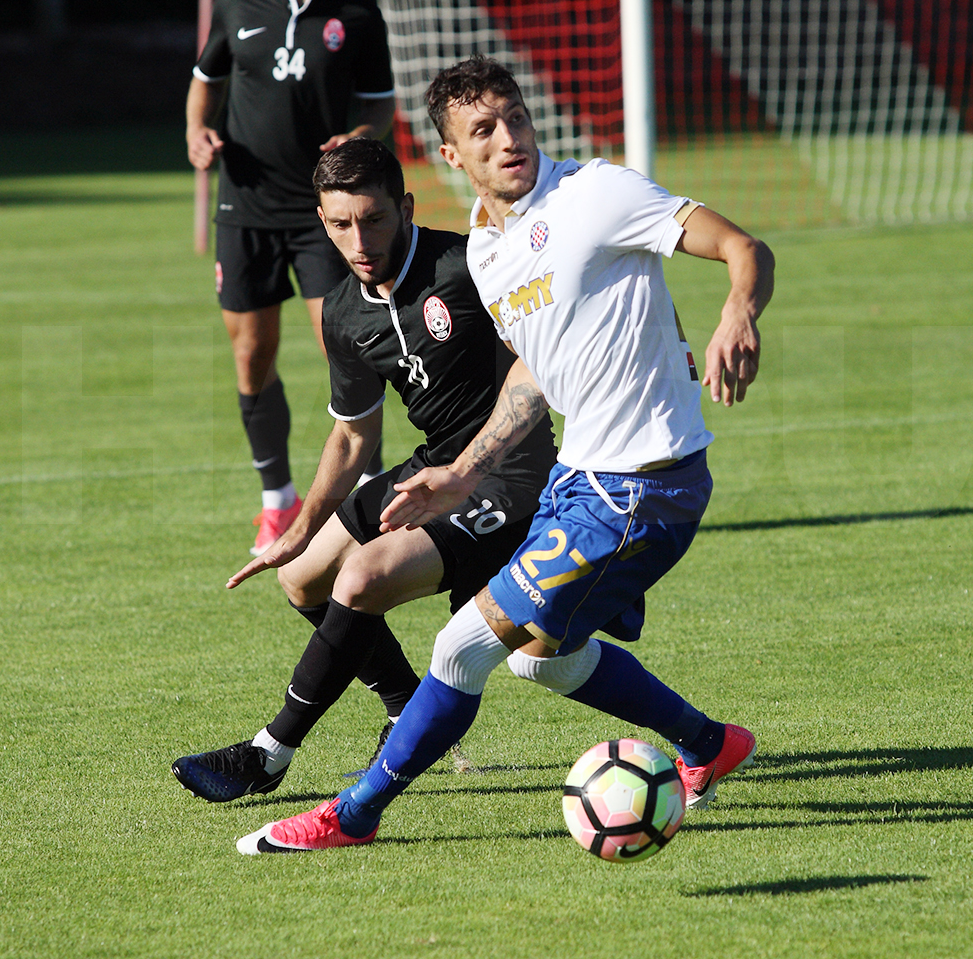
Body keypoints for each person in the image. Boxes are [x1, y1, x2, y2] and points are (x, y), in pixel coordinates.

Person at [235, 56, 775, 853]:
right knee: (539, 660)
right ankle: (708, 743)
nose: (507, 139)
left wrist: (736, 312)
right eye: (481, 130)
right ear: (451, 157)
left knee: (462, 646)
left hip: (641, 486)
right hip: (578, 480)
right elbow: (533, 371)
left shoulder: (597, 193)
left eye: (514, 118)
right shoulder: (488, 252)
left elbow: (741, 246)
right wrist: (459, 474)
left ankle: (352, 815)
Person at [172, 138, 558, 802]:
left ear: (405, 207)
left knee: (369, 579)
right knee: (302, 578)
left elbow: (553, 344)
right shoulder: (345, 313)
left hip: (513, 475)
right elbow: (353, 435)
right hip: (437, 463)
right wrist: (297, 527)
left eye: (374, 219)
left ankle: (269, 753)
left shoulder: (466, 264)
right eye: (340, 224)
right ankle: (406, 706)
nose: (359, 239)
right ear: (321, 222)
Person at [187, 0, 396, 556]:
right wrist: (197, 131)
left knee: (347, 350)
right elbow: (206, 79)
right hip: (244, 206)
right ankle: (277, 500)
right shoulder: (237, 4)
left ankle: (362, 505)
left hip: (320, 216)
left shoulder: (357, 16)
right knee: (251, 355)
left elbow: (379, 109)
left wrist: (356, 138)